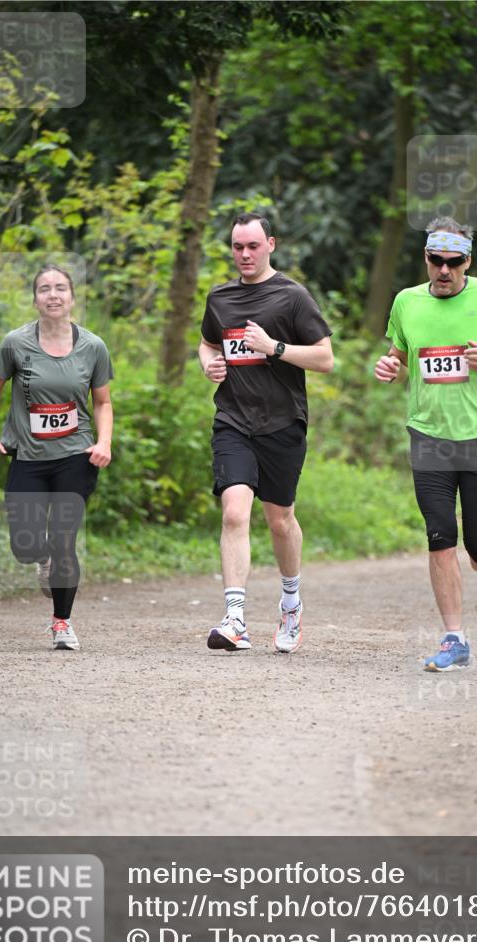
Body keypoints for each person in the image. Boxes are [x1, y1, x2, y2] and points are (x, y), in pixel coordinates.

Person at [374, 217, 477, 671]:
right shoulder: (406, 301)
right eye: (435, 261)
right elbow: (399, 356)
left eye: (453, 262)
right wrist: (390, 368)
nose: (444, 271)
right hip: (428, 436)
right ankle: (454, 639)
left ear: (468, 261)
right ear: (425, 258)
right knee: (440, 537)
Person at [199, 212, 334, 653]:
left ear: (270, 244)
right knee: (235, 512)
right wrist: (208, 363)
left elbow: (324, 358)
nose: (244, 255)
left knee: (280, 520)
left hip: (282, 422)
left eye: (252, 246)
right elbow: (208, 342)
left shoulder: (292, 297)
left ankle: (291, 602)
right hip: (234, 419)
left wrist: (274, 348)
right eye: (237, 247)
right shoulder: (219, 298)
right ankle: (235, 619)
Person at [0, 265, 113, 651]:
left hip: (76, 454)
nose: (53, 295)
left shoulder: (93, 346)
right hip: (28, 455)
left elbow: (102, 402)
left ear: (72, 296)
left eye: (60, 288)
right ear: (34, 298)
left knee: (64, 539)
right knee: (25, 543)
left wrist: (104, 442)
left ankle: (62, 622)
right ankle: (40, 559)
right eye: (44, 289)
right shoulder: (15, 343)